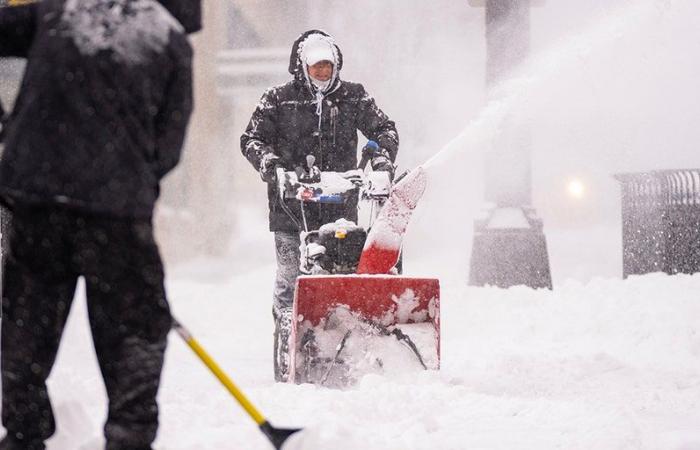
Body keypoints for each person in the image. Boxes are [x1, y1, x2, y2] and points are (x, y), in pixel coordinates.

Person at [0, 0, 200, 448]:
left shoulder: (57, 14)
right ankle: (129, 435)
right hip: (116, 213)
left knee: (27, 320)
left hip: (40, 202)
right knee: (134, 328)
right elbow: (170, 140)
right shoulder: (167, 37)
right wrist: (128, 178)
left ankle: (23, 431)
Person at [241, 29, 399, 382]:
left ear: (337, 64)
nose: (323, 72)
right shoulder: (278, 100)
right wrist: (273, 165)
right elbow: (251, 138)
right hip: (289, 209)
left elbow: (385, 129)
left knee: (344, 272)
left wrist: (380, 158)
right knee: (289, 275)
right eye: (316, 67)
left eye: (328, 66)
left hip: (340, 209)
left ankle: (345, 340)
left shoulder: (354, 98)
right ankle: (288, 342)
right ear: (302, 66)